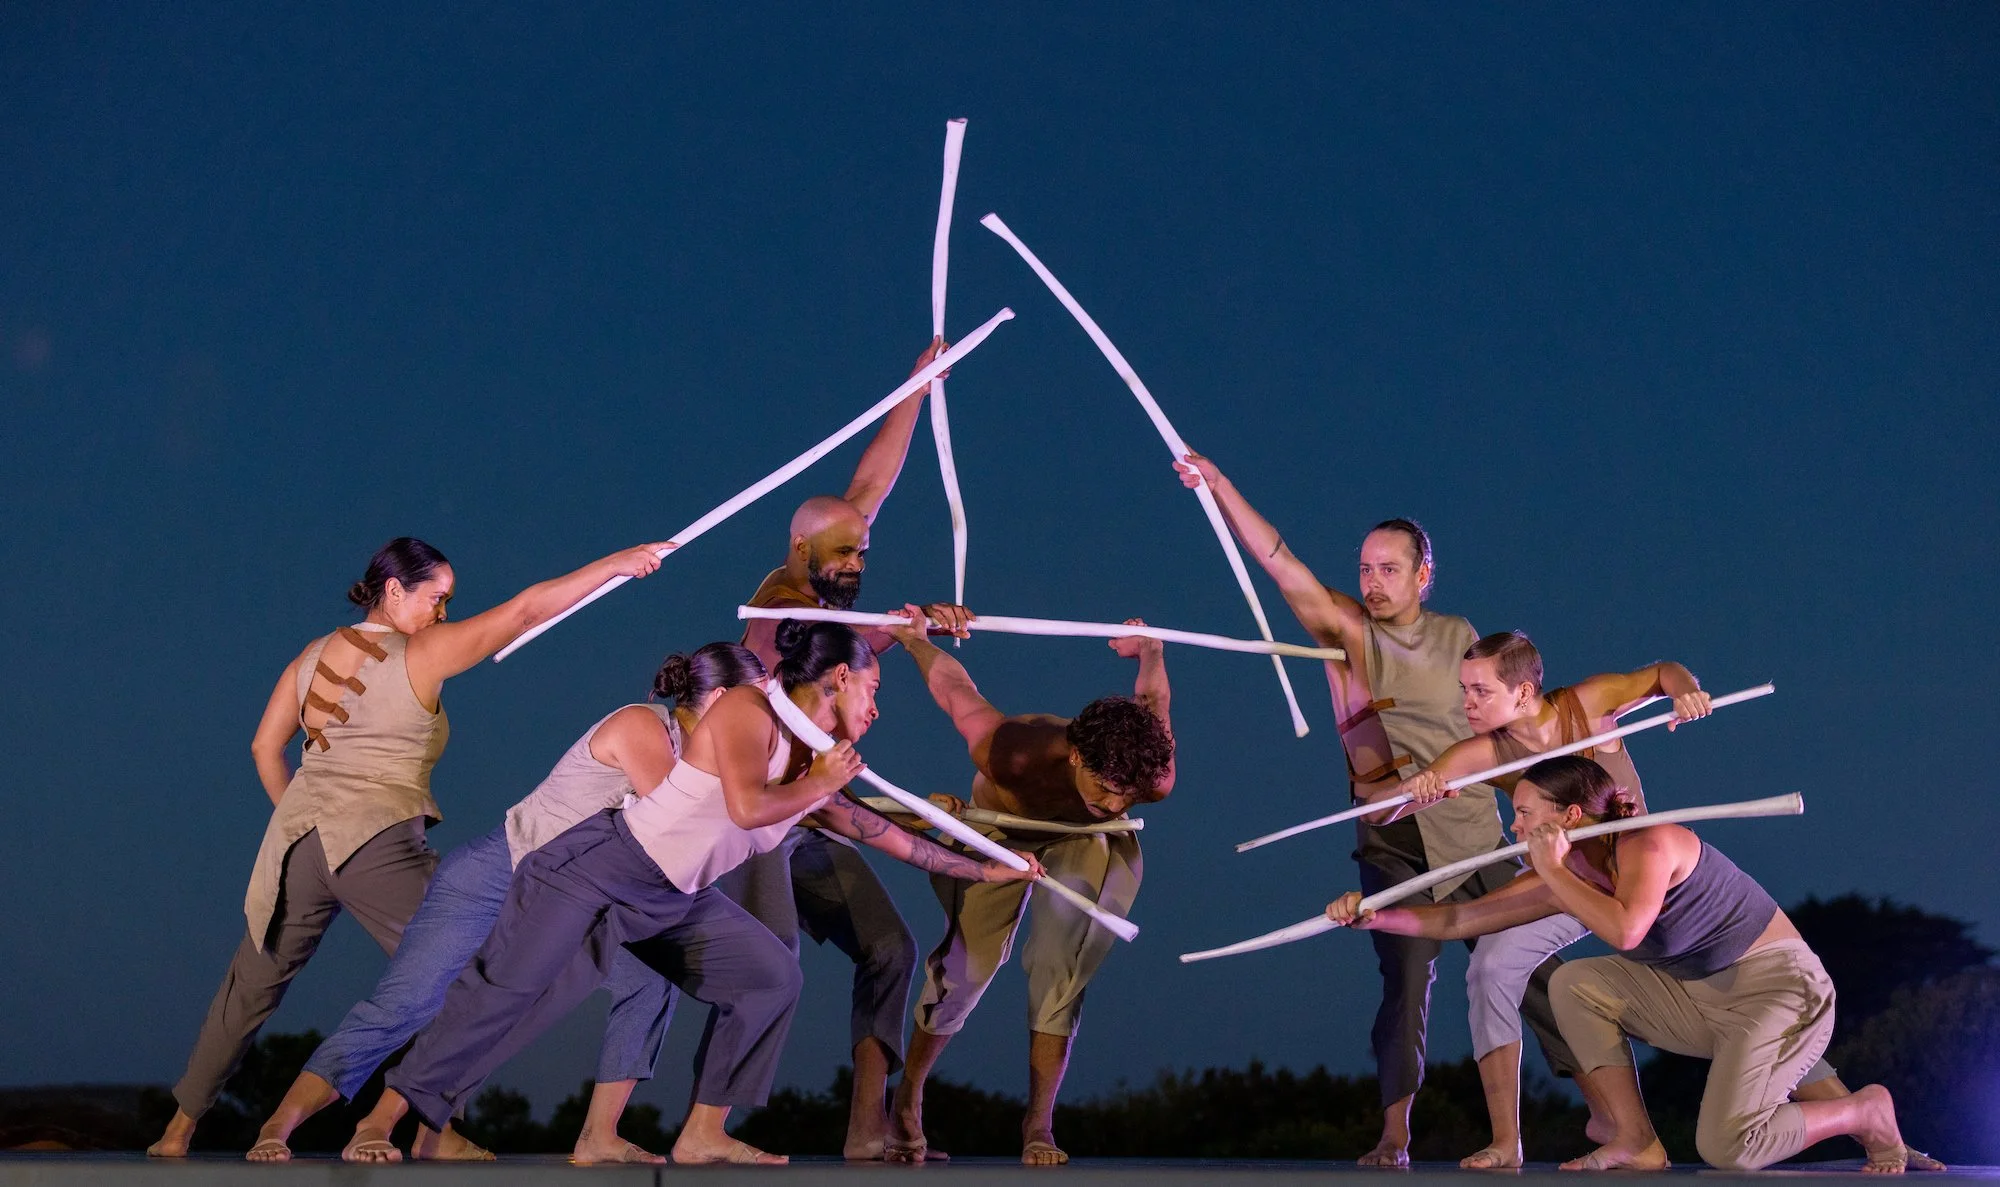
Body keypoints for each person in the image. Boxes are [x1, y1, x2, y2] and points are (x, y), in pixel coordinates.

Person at [339, 621, 1041, 1165]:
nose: (878, 707)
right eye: (874, 688)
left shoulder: (813, 760)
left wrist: (988, 869)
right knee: (510, 996)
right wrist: (821, 783)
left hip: (679, 897)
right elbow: (747, 807)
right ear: (837, 678)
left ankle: (703, 1132)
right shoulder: (748, 708)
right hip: (601, 871)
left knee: (771, 976)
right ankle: (381, 1120)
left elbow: (878, 830)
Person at [147, 536, 669, 1157]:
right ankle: (432, 1132)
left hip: (295, 847)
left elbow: (265, 748)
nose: (443, 613)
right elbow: (524, 612)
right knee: (475, 972)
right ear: (394, 591)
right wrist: (615, 564)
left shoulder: (309, 657)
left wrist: (308, 816)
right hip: (379, 843)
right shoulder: (419, 652)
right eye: (436, 598)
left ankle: (176, 1133)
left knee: (248, 989)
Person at [1387, 630, 1920, 1168]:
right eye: (1464, 690)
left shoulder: (1601, 737)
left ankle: (1865, 1118)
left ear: (1523, 692)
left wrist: (1686, 692)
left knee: (1745, 1075)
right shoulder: (1487, 756)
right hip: (1616, 905)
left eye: (1479, 691)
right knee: (1507, 967)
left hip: (1640, 892)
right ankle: (1592, 1137)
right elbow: (1454, 909)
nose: (1467, 703)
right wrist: (1391, 861)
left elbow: (1665, 672)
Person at [244, 642, 765, 1164]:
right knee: (407, 1005)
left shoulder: (706, 761)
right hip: (495, 876)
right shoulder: (644, 728)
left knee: (648, 981)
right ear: (721, 699)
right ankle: (282, 1126)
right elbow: (681, 829)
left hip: (567, 901)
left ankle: (594, 1135)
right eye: (759, 703)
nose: (764, 723)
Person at [1172, 452, 1541, 1167]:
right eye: (1365, 568)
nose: (1372, 581)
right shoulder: (1348, 628)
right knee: (1405, 979)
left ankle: (1611, 1119)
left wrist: (1536, 793)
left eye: (1389, 569)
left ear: (1423, 575)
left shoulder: (1460, 634)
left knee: (1534, 971)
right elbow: (1280, 562)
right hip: (1393, 836)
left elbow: (1503, 727)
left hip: (1472, 831)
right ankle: (1395, 1133)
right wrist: (1217, 487)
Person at [1327, 755, 1940, 1174]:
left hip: (1780, 991)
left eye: (1526, 813)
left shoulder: (1650, 843)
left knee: (1728, 1147)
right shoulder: (1567, 873)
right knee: (1576, 983)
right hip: (1700, 998)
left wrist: (1551, 872)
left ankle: (1864, 1111)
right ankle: (1636, 1140)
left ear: (1570, 817)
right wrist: (1376, 916)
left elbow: (1626, 928)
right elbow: (1460, 919)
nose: (1515, 826)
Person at [728, 337, 973, 1159]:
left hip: (811, 814)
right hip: (754, 817)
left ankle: (868, 1126)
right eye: (844, 555)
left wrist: (917, 388)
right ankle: (704, 1126)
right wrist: (909, 625)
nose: (857, 563)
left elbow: (872, 482)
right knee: (767, 966)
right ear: (802, 551)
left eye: (862, 551)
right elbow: (827, 647)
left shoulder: (834, 576)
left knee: (889, 946)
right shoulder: (781, 605)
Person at [880, 606, 1176, 1165]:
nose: (1116, 802)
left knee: (1059, 963)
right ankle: (909, 1094)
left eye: (1128, 793)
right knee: (965, 970)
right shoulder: (1014, 751)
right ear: (1075, 755)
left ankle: (1038, 1123)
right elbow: (957, 694)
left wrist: (1151, 650)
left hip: (1081, 841)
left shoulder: (1150, 773)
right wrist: (915, 640)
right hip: (1001, 830)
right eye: (1105, 786)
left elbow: (1153, 701)